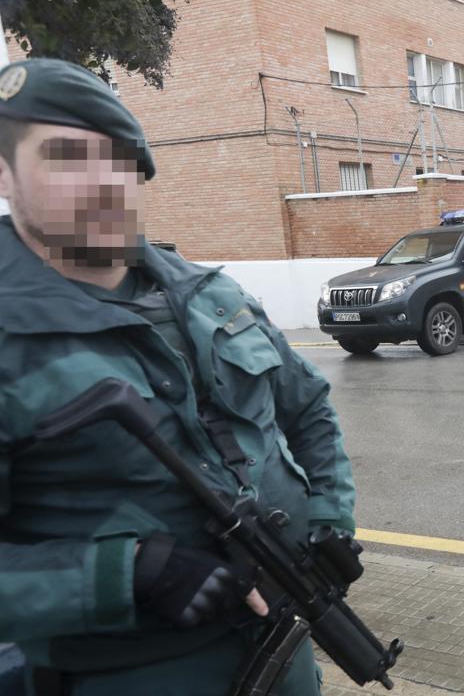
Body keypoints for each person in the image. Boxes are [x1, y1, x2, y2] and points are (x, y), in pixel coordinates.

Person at [0, 59, 355, 695]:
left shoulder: (209, 292)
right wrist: (130, 575)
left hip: (282, 644)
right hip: (133, 675)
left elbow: (307, 410)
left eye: (119, 159)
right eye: (65, 158)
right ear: (4, 172)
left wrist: (330, 521)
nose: (101, 182)